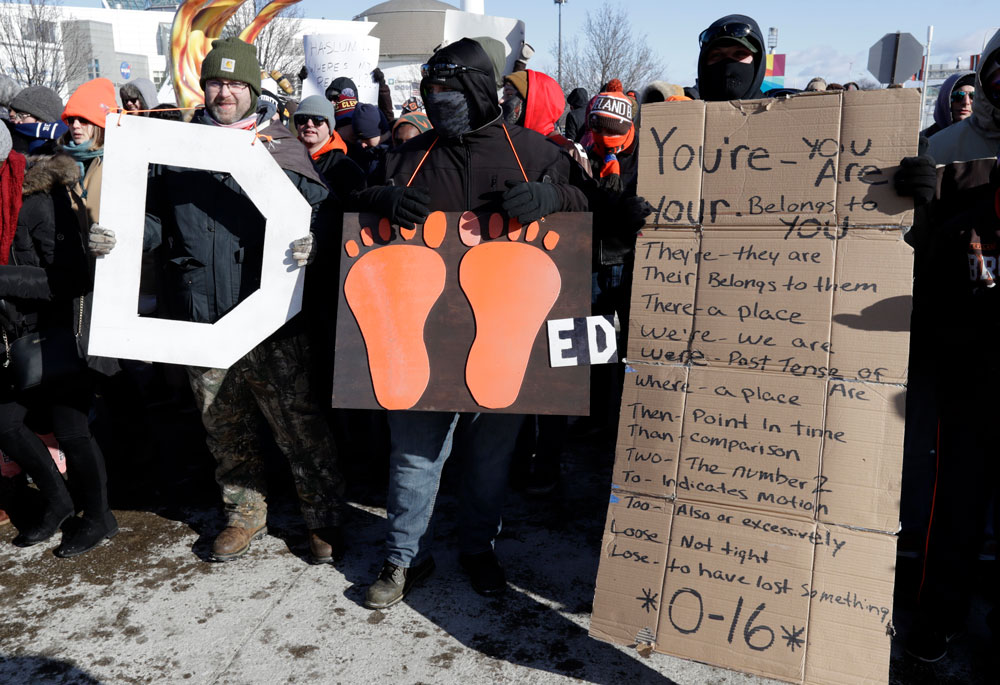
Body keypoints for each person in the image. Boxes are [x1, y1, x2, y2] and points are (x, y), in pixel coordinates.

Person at [89, 38, 347, 565]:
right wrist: (120, 237)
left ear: (252, 89)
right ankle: (243, 512)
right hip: (201, 315)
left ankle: (322, 516)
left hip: (273, 317)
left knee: (298, 422)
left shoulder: (282, 146)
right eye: (214, 82)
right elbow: (154, 222)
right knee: (222, 424)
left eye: (234, 83)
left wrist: (316, 242)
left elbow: (326, 214)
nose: (223, 92)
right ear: (202, 87)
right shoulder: (173, 149)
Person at [356, 37, 589, 609]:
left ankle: (479, 547)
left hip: (503, 334)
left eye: (452, 90)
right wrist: (379, 196)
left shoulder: (532, 152)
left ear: (481, 89)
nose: (439, 101)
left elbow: (595, 205)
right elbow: (350, 200)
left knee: (489, 457)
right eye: (432, 91)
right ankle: (405, 555)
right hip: (422, 333)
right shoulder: (409, 157)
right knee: (414, 454)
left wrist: (552, 195)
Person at [0, 86, 118, 558]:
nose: (13, 119)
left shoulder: (45, 195)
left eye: (19, 115)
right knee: (6, 424)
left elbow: (66, 279)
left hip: (59, 333)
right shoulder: (8, 193)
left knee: (72, 430)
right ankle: (57, 501)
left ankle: (99, 516)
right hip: (17, 333)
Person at [294, 95, 365, 201]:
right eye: (302, 119)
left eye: (318, 120)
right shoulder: (285, 158)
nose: (309, 124)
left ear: (330, 126)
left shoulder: (346, 168)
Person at [687, 15, 767, 101]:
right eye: (717, 55)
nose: (727, 64)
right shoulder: (683, 108)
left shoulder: (779, 109)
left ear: (758, 62)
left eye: (739, 53)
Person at [921, 72, 975, 139]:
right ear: (945, 99)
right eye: (958, 95)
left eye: (973, 96)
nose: (966, 102)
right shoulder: (924, 140)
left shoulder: (987, 140)